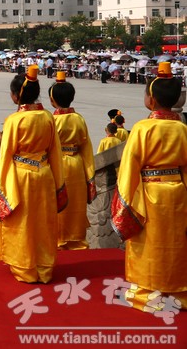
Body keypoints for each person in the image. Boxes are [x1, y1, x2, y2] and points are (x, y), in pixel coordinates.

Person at [111, 62, 187, 311]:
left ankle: (146, 291)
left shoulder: (143, 128)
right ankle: (177, 290)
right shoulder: (181, 128)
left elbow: (129, 167)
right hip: (177, 191)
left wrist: (124, 202)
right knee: (175, 241)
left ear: (151, 99)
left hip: (150, 191)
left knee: (150, 243)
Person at [0, 64, 66, 284]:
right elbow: (55, 152)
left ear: (16, 96)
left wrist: (2, 187)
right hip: (44, 174)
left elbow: (6, 154)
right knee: (43, 221)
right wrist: (59, 183)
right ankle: (44, 266)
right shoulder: (47, 117)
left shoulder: (14, 120)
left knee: (23, 222)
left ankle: (24, 266)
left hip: (21, 176)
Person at [49, 72, 95, 251]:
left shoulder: (51, 121)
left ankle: (58, 240)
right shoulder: (79, 119)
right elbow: (87, 148)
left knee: (59, 204)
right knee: (75, 203)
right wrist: (90, 175)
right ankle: (76, 240)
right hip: (76, 164)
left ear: (52, 100)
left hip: (57, 165)